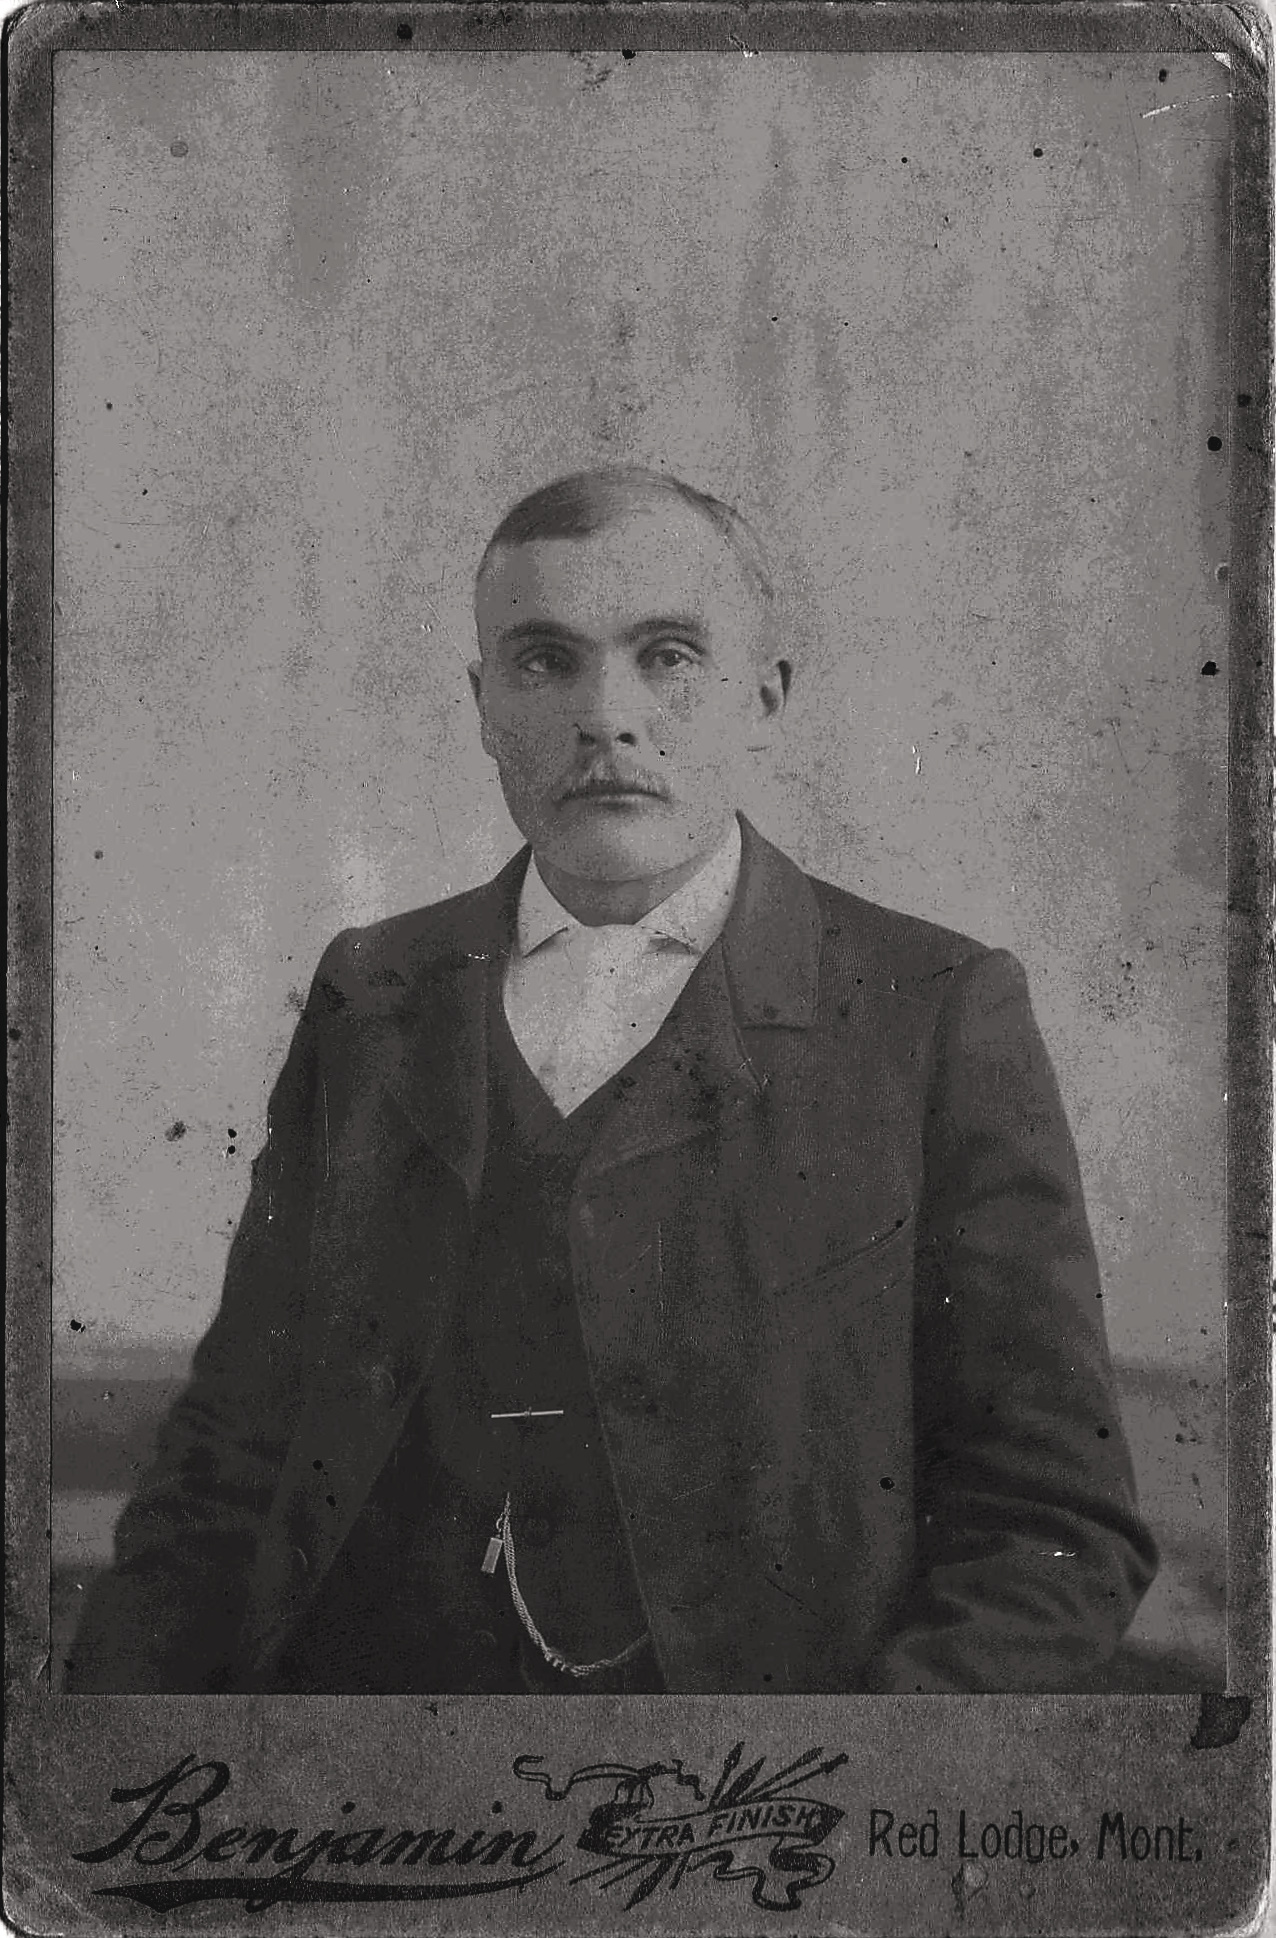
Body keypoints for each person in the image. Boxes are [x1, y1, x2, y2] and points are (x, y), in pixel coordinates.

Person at [66, 465, 1157, 1696]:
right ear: (483, 705)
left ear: (764, 695)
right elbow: (228, 1458)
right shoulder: (375, 993)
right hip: (370, 1765)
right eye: (544, 662)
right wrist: (111, 1758)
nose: (606, 717)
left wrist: (843, 1784)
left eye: (668, 656)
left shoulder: (932, 1010)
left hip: (748, 1781)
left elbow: (1053, 1524)